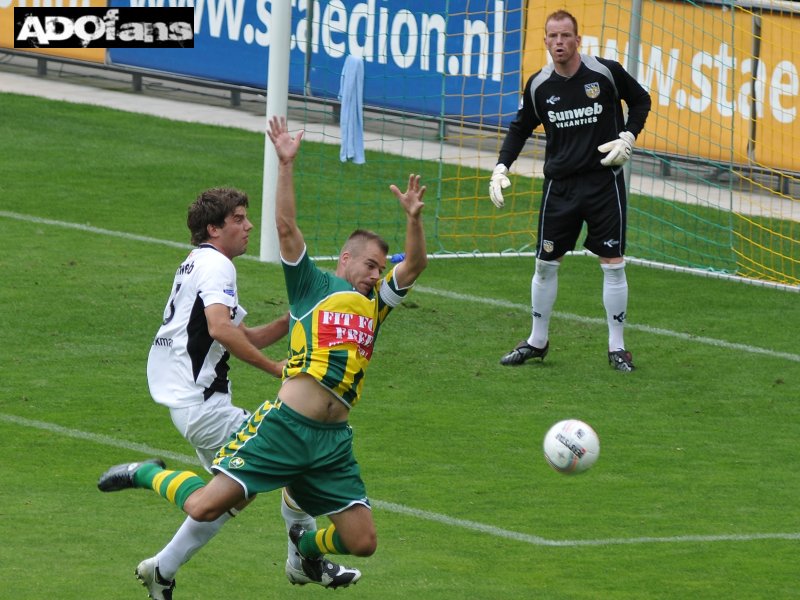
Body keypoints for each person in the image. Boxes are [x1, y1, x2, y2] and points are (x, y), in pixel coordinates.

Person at [98, 115, 428, 590]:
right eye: (370, 265)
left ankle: (308, 554)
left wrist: (413, 219)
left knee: (363, 541)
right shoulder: (313, 285)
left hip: (333, 442)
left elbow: (415, 264)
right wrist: (286, 165)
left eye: (381, 268)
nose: (376, 275)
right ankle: (148, 472)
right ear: (345, 258)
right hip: (287, 427)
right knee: (205, 505)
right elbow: (286, 225)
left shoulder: (376, 304)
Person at [131, 187, 360, 599]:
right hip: (204, 407)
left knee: (230, 496)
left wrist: (301, 315)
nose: (248, 225)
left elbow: (242, 333)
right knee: (294, 455)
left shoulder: (198, 263)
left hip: (193, 404)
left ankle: (161, 570)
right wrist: (275, 368)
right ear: (214, 228)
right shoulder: (217, 266)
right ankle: (302, 561)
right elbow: (220, 329)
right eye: (238, 219)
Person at [489, 9, 651, 372]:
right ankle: (537, 341)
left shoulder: (604, 72)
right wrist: (501, 166)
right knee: (545, 266)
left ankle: (617, 348)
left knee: (613, 265)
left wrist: (628, 135)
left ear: (578, 40)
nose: (559, 42)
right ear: (545, 41)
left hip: (603, 184)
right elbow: (519, 128)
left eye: (566, 36)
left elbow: (641, 100)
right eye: (552, 36)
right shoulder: (539, 85)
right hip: (559, 188)